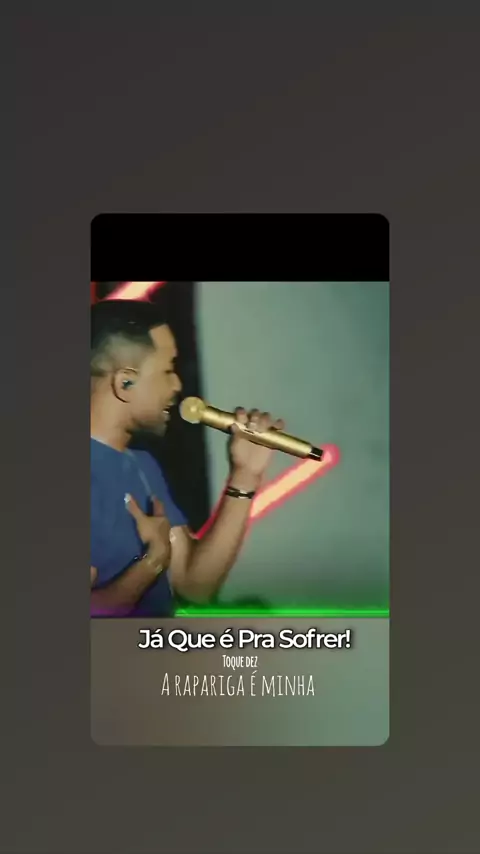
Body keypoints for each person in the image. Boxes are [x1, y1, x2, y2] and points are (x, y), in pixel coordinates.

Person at [90, 299, 285, 617]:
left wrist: (245, 476)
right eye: (168, 370)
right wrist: (151, 563)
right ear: (125, 382)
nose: (177, 384)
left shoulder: (143, 467)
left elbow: (194, 585)